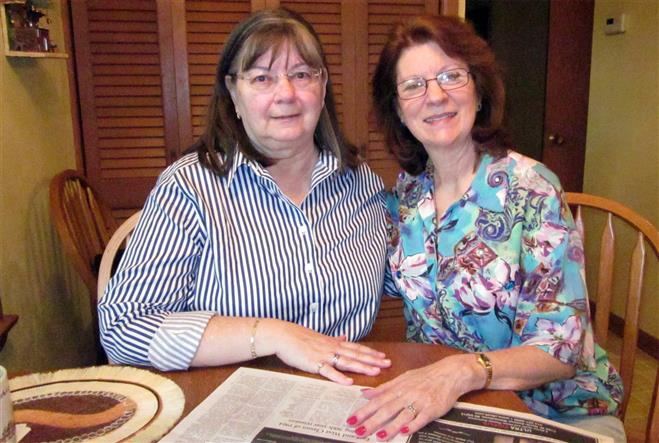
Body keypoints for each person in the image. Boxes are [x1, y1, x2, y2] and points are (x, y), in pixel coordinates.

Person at [346, 15, 625, 441]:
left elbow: (561, 349)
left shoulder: (531, 189)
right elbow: (360, 278)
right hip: (454, 408)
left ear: (478, 89)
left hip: (556, 412)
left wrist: (462, 371)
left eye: (451, 75)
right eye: (414, 85)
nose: (435, 95)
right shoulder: (405, 198)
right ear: (398, 111)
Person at [98, 8, 391, 385]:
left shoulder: (360, 184)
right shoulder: (188, 189)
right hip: (225, 402)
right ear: (233, 94)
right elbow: (123, 328)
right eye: (262, 78)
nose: (286, 93)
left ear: (322, 88)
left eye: (301, 75)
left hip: (344, 397)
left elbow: (413, 276)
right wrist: (272, 334)